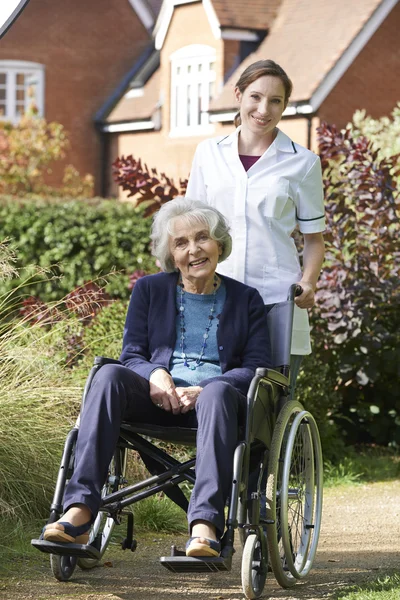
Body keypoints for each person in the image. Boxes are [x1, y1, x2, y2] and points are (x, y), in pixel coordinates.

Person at [42, 198, 271, 558]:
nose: (194, 249)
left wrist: (206, 387)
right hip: (153, 399)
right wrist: (156, 374)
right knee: (107, 376)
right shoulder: (150, 290)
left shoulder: (247, 300)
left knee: (218, 394)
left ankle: (205, 527)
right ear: (170, 253)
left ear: (219, 244)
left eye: (202, 238)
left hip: (214, 408)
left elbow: (256, 367)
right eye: (181, 243)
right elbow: (132, 354)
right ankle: (80, 511)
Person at [186, 59, 325, 390]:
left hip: (277, 301)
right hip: (214, 296)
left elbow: (314, 240)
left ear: (284, 106)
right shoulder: (208, 153)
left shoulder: (303, 163)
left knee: (269, 404)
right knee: (210, 395)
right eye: (256, 97)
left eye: (276, 101)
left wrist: (308, 282)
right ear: (239, 95)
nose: (264, 109)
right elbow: (189, 226)